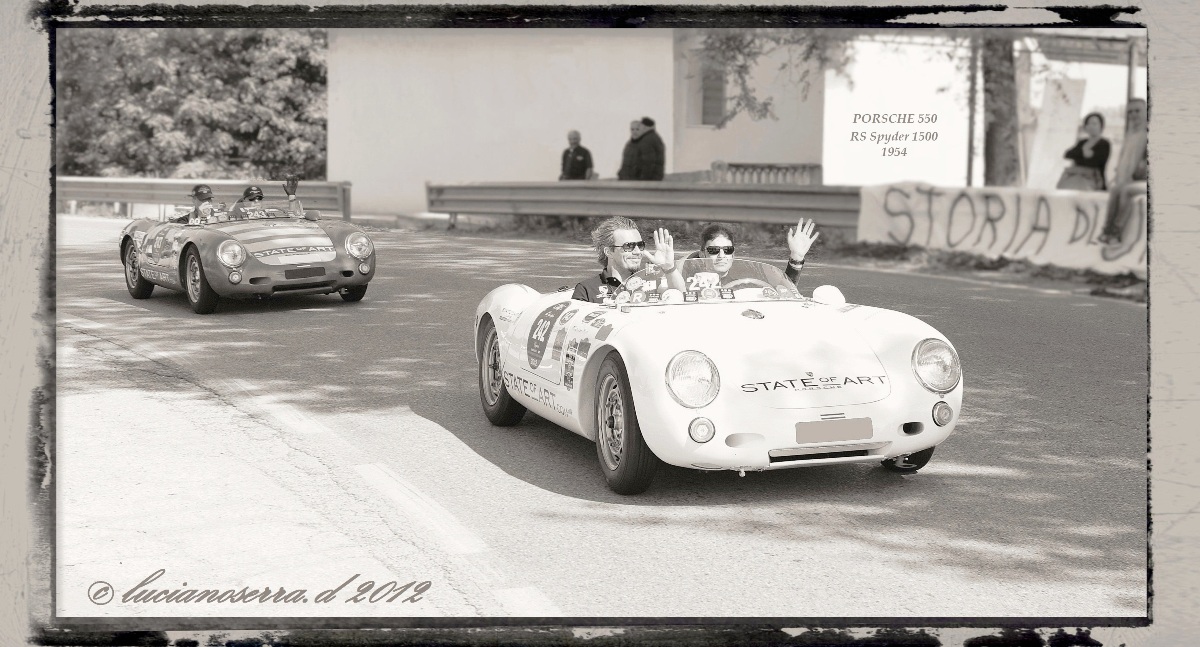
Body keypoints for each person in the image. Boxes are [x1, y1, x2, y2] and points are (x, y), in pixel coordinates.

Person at [683, 218, 820, 287]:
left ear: (733, 254)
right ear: (702, 254)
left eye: (727, 250)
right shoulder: (688, 281)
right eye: (713, 250)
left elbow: (785, 290)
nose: (722, 256)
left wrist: (797, 257)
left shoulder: (749, 277)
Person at [572, 216, 677, 303]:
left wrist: (669, 268)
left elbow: (682, 297)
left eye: (640, 245)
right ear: (609, 252)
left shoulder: (654, 284)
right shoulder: (586, 290)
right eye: (629, 246)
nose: (637, 252)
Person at [1098, 99, 1148, 244]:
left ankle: (1116, 233)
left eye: (1137, 110)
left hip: (1143, 181)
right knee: (1115, 190)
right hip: (1129, 180)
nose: (1133, 114)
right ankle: (1106, 231)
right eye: (1130, 112)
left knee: (1125, 191)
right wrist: (1117, 176)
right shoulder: (1130, 133)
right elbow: (1123, 160)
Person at [1059, 112, 1111, 191]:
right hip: (1075, 178)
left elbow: (1097, 162)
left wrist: (1080, 156)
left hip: (1094, 180)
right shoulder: (1082, 142)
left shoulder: (1104, 143)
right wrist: (1083, 153)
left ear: (1101, 126)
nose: (1091, 126)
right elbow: (1068, 154)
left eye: (1094, 124)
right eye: (1088, 124)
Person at [616, 117, 666, 181]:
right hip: (632, 180)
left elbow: (648, 163)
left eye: (637, 129)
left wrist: (642, 181)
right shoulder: (637, 141)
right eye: (632, 129)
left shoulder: (646, 141)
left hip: (637, 182)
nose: (634, 131)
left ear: (644, 128)